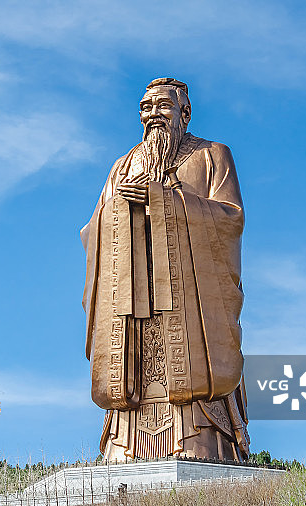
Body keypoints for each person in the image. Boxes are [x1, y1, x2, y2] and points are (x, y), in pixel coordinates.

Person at [81, 78, 250, 462]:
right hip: (132, 297)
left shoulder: (211, 156)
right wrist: (119, 211)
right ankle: (126, 446)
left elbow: (230, 220)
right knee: (131, 370)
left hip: (188, 298)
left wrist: (163, 200)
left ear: (184, 113)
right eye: (146, 107)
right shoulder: (123, 165)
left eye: (162, 106)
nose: (153, 115)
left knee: (189, 370)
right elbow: (94, 229)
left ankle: (199, 440)